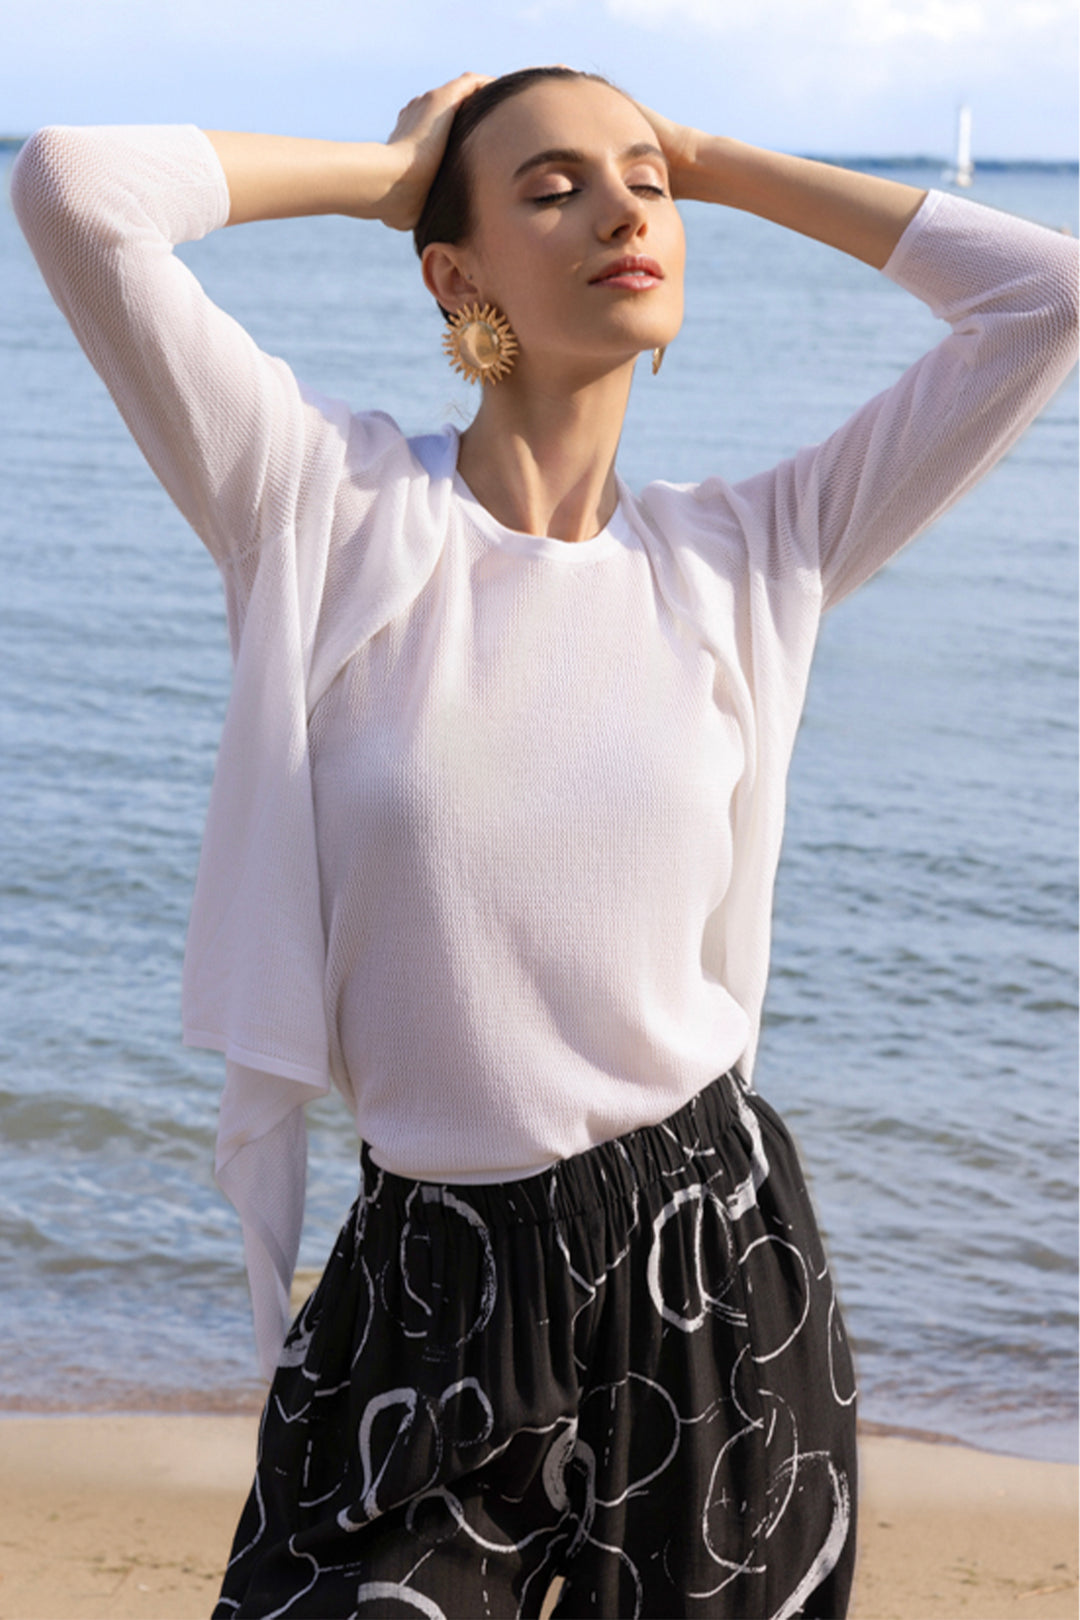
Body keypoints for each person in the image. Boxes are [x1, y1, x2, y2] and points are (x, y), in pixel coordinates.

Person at [11, 66, 1077, 1620]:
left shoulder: (748, 555)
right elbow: (75, 191)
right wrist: (388, 174)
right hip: (424, 1285)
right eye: (552, 185)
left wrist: (717, 161)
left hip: (712, 1269)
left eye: (644, 179)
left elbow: (1043, 297)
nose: (626, 205)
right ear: (454, 272)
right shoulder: (324, 503)